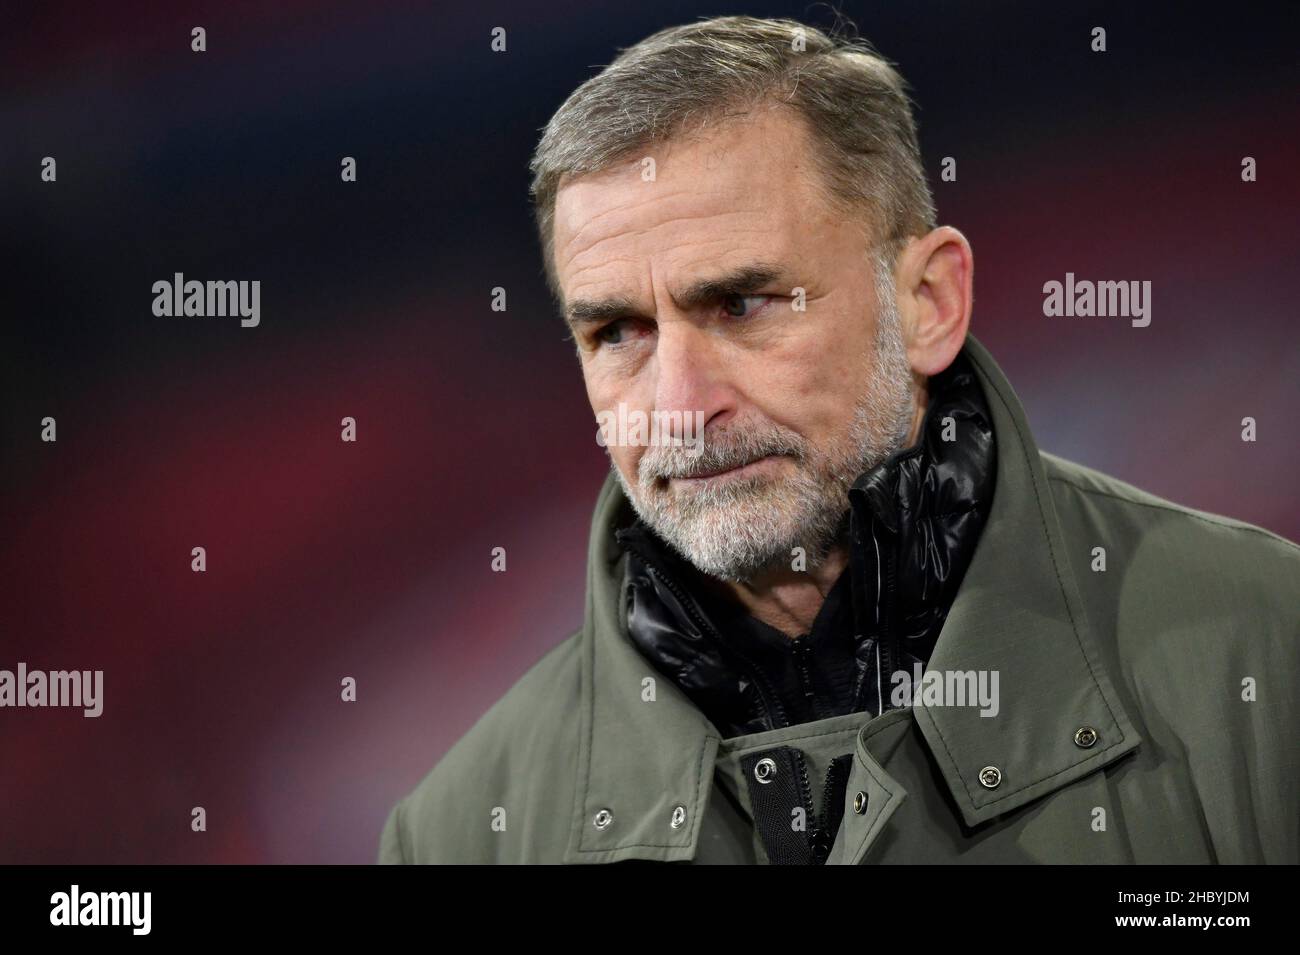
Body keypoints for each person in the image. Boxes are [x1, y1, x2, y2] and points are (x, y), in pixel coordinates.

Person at [379, 15, 1298, 864]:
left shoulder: (1267, 660)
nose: (679, 405)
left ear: (928, 302)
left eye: (741, 304)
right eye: (618, 333)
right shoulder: (461, 831)